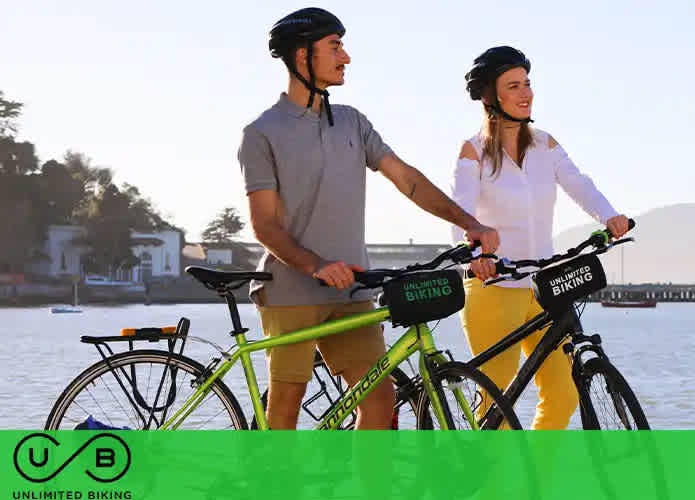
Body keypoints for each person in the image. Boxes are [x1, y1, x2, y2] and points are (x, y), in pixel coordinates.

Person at [239, 7, 499, 430]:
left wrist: (469, 221)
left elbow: (407, 179)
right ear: (302, 55)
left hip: (352, 290)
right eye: (335, 47)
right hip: (290, 289)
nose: (346, 57)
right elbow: (265, 225)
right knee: (286, 403)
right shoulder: (262, 132)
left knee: (379, 400)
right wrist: (317, 266)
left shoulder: (352, 122)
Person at [450, 46, 630, 429]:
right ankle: (491, 487)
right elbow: (460, 212)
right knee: (495, 407)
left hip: (543, 285)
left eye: (527, 84)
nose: (526, 93)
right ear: (491, 97)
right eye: (513, 86)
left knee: (563, 395)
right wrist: (474, 255)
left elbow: (579, 183)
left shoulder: (545, 145)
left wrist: (610, 215)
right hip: (493, 287)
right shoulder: (474, 152)